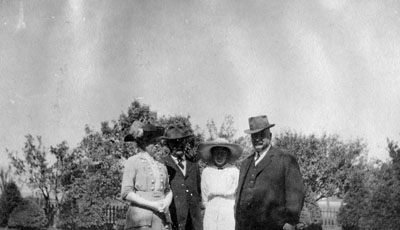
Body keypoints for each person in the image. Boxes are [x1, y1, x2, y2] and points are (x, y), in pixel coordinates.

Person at [235, 115, 305, 230]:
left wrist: (290, 222)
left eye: (262, 134)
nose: (258, 139)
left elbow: (296, 193)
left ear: (270, 136)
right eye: (254, 135)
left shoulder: (285, 159)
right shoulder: (245, 164)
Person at [121, 121, 173, 230]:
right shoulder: (133, 161)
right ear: (143, 143)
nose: (157, 145)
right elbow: (126, 192)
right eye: (153, 142)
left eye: (157, 141)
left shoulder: (162, 164)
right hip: (141, 219)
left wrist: (166, 202)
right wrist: (152, 204)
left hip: (161, 219)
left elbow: (168, 190)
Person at [161, 124, 203, 230]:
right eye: (174, 142)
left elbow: (198, 191)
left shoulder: (194, 165)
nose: (178, 145)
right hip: (174, 220)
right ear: (168, 144)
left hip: (194, 222)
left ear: (186, 143)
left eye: (181, 141)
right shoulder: (163, 164)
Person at [198, 138, 242, 230]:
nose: (219, 156)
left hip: (228, 208)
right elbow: (204, 194)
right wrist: (209, 206)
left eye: (222, 153)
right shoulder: (207, 171)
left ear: (227, 155)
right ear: (212, 155)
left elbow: (238, 193)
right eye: (216, 153)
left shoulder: (234, 171)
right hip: (211, 208)